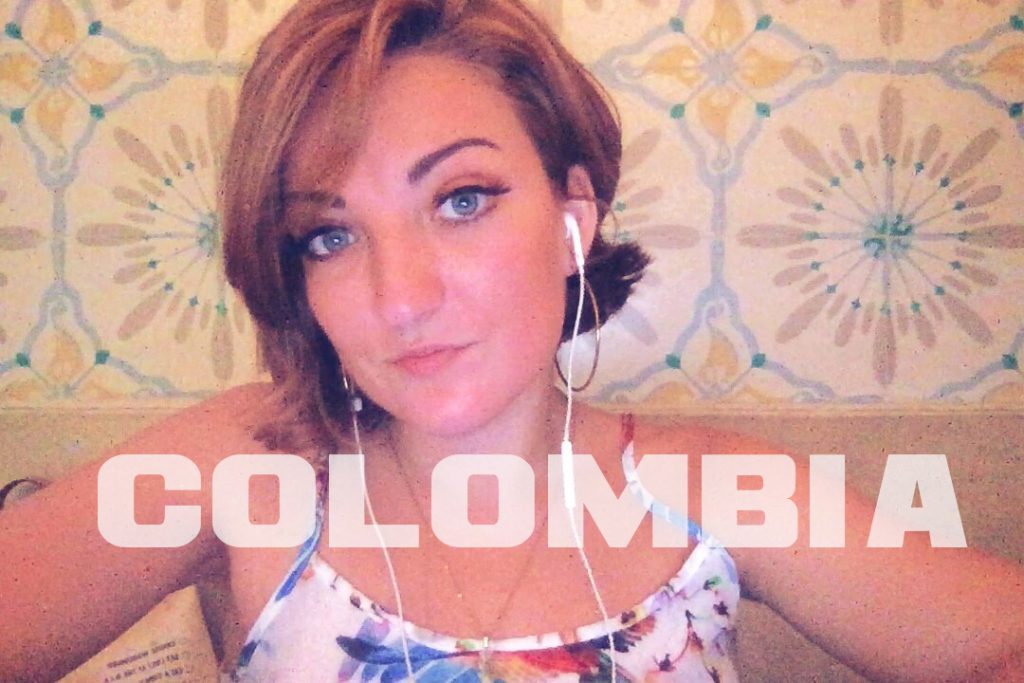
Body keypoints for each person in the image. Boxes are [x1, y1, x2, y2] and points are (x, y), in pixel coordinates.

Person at [2, 0, 1024, 680]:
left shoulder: (715, 490)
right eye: (330, 233)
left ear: (572, 214)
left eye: (461, 199)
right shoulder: (251, 461)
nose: (402, 296)